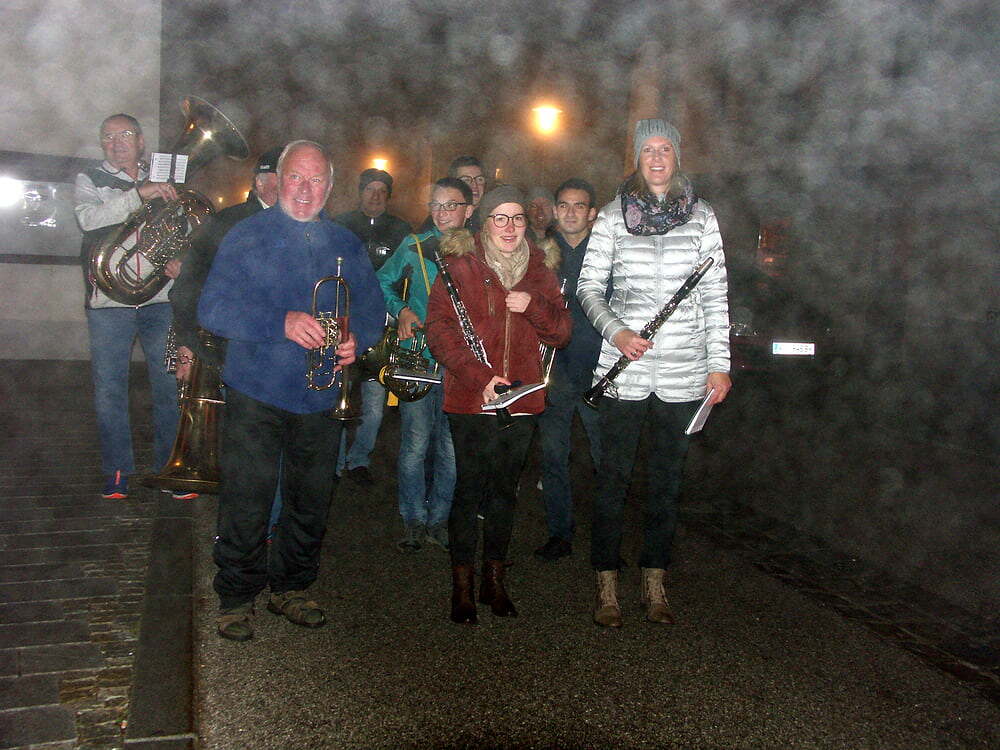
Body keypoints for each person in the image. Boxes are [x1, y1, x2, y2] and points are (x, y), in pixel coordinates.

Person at [198, 141, 385, 642]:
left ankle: (292, 587)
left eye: (317, 180)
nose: (306, 189)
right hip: (256, 389)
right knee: (247, 497)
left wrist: (358, 338)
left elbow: (372, 310)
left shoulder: (345, 242)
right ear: (279, 181)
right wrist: (279, 322)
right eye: (297, 178)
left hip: (320, 395)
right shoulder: (246, 235)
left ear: (330, 186)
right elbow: (212, 309)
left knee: (310, 499)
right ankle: (236, 595)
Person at [577, 119, 732, 628]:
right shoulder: (612, 215)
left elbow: (715, 295)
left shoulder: (703, 216)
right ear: (637, 158)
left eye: (666, 148)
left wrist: (719, 365)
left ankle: (655, 580)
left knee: (667, 482)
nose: (658, 158)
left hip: (684, 371)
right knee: (613, 479)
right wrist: (617, 332)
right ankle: (606, 582)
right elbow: (588, 287)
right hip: (625, 369)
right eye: (649, 149)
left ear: (677, 156)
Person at [425, 186, 571, 624]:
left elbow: (561, 332)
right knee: (469, 490)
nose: (510, 227)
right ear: (484, 222)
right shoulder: (459, 265)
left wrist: (534, 307)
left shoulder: (541, 270)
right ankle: (462, 586)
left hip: (522, 399)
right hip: (472, 398)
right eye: (500, 218)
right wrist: (480, 377)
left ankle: (494, 580)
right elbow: (440, 332)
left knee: (506, 491)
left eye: (518, 218)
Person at [74, 113, 182, 500]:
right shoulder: (89, 178)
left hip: (159, 300)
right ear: (101, 144)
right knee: (110, 391)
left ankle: (170, 467)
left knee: (169, 385)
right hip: (108, 302)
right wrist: (140, 195)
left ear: (140, 141)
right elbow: (88, 219)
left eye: (125, 134)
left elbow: (185, 225)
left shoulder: (166, 178)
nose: (117, 142)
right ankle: (117, 470)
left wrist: (181, 257)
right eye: (108, 137)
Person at [376, 178, 473, 553]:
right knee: (415, 445)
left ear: (468, 210)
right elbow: (380, 281)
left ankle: (440, 520)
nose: (442, 212)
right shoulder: (413, 245)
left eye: (451, 205)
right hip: (417, 357)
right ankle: (413, 518)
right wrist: (400, 310)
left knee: (450, 448)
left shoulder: (480, 249)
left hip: (460, 364)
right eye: (436, 205)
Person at [169, 145, 283, 379]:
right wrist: (186, 343)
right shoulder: (227, 222)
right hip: (231, 348)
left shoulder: (307, 226)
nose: (294, 184)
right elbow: (189, 283)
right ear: (260, 182)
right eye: (283, 175)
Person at [534, 178, 603, 562]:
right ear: (555, 210)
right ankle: (559, 533)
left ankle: (606, 538)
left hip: (599, 371)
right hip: (554, 372)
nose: (571, 213)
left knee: (606, 460)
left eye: (579, 206)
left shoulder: (607, 252)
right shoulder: (540, 255)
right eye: (564, 205)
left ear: (592, 213)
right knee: (553, 458)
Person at [334, 168, 412, 485]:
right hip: (342, 325)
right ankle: (334, 463)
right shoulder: (340, 225)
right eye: (370, 189)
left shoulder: (401, 230)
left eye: (382, 191)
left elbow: (408, 279)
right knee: (338, 395)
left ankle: (359, 460)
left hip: (382, 328)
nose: (376, 196)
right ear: (360, 192)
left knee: (375, 405)